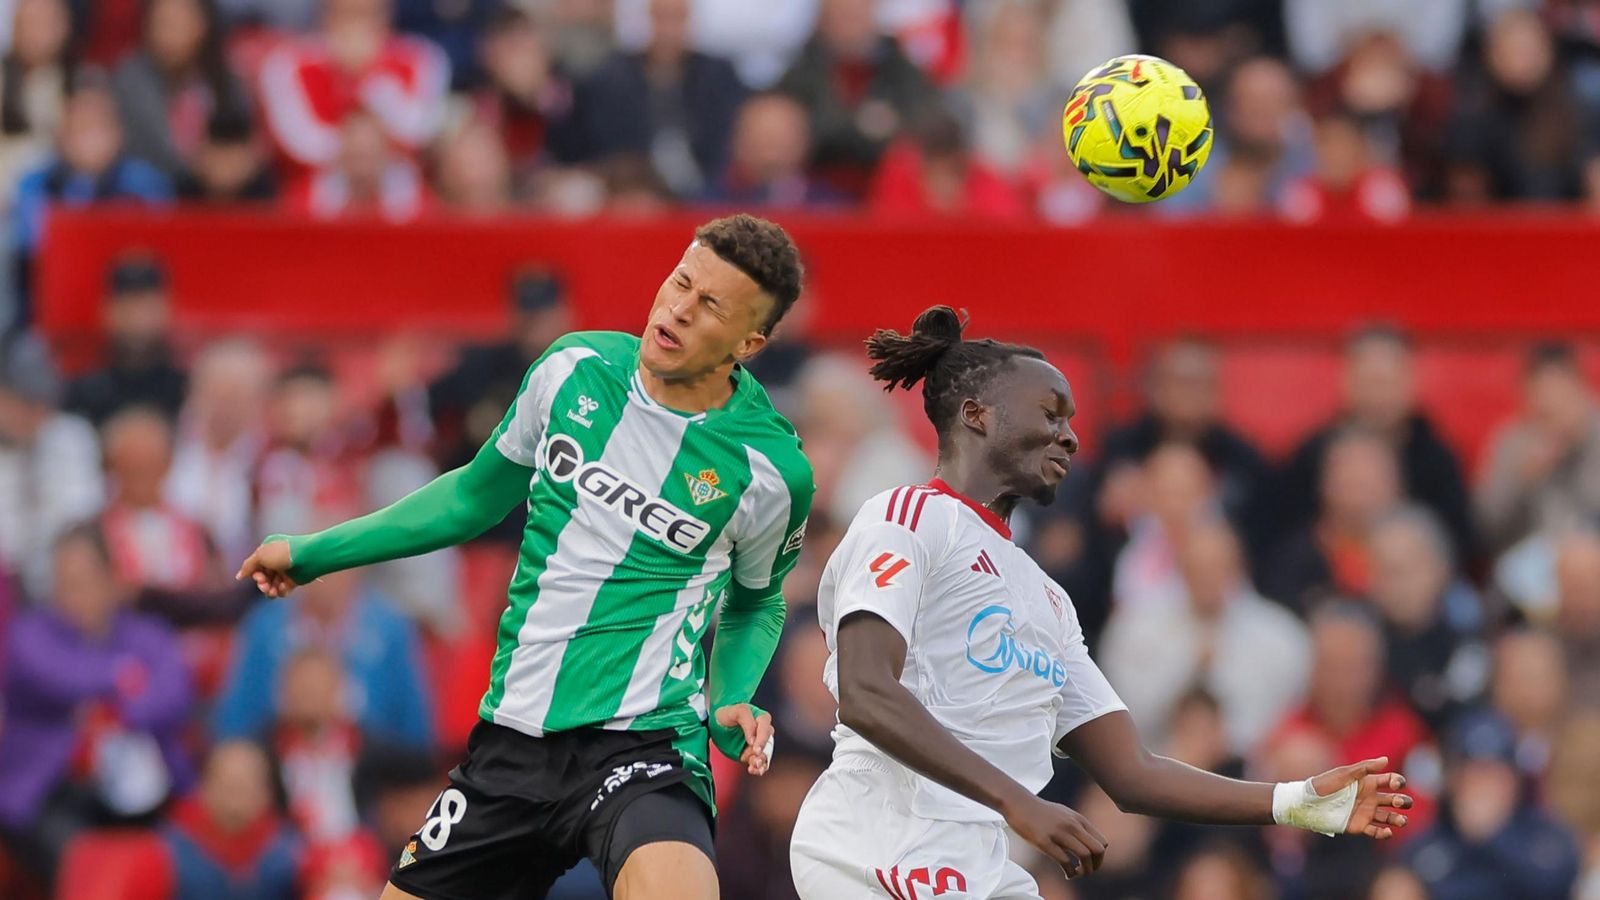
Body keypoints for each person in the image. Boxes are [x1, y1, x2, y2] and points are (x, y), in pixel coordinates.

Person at [237, 214, 814, 900]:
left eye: (710, 304)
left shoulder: (772, 471)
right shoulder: (572, 370)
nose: (680, 309)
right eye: (681, 282)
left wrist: (733, 698)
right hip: (513, 742)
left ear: (749, 342)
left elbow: (757, 599)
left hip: (643, 745)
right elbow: (470, 499)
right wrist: (314, 553)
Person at [790, 306, 1413, 899]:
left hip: (974, 859)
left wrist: (1295, 800)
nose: (1069, 437)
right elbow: (867, 691)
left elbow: (1133, 772)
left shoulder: (1048, 602)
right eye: (1050, 414)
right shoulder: (910, 518)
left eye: (1072, 421)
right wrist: (1018, 802)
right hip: (877, 840)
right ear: (978, 415)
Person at [0, 524, 193, 880]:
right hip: (51, 790)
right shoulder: (29, 634)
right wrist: (122, 677)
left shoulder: (149, 634)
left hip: (147, 791)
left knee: (184, 858)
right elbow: (55, 677)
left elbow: (172, 697)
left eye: (82, 580)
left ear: (113, 580)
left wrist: (117, 710)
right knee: (89, 869)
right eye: (61, 582)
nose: (70, 595)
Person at [1279, 325, 1475, 562]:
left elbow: (1459, 546)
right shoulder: (1312, 455)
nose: (1377, 395)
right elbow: (1283, 537)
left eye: (1386, 381)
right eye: (1369, 381)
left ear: (1410, 381)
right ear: (1346, 381)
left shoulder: (1438, 460)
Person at [1401, 709, 1580, 900]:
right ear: (1453, 779)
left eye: (1495, 774)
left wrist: (1492, 835)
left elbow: (1554, 882)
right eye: (1475, 773)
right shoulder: (1427, 842)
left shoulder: (1545, 835)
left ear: (1516, 780)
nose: (1484, 786)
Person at [1477, 341, 1600, 555]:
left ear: (1580, 386)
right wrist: (1523, 479)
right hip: (1531, 559)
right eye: (1541, 392)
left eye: (1561, 391)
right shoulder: (1512, 443)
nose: (1552, 403)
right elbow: (1486, 527)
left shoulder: (1594, 432)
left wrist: (1580, 443)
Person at [63, 255, 189, 427]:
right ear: (107, 311)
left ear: (166, 309)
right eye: (128, 307)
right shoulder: (84, 394)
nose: (137, 319)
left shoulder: (186, 392)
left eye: (146, 307)